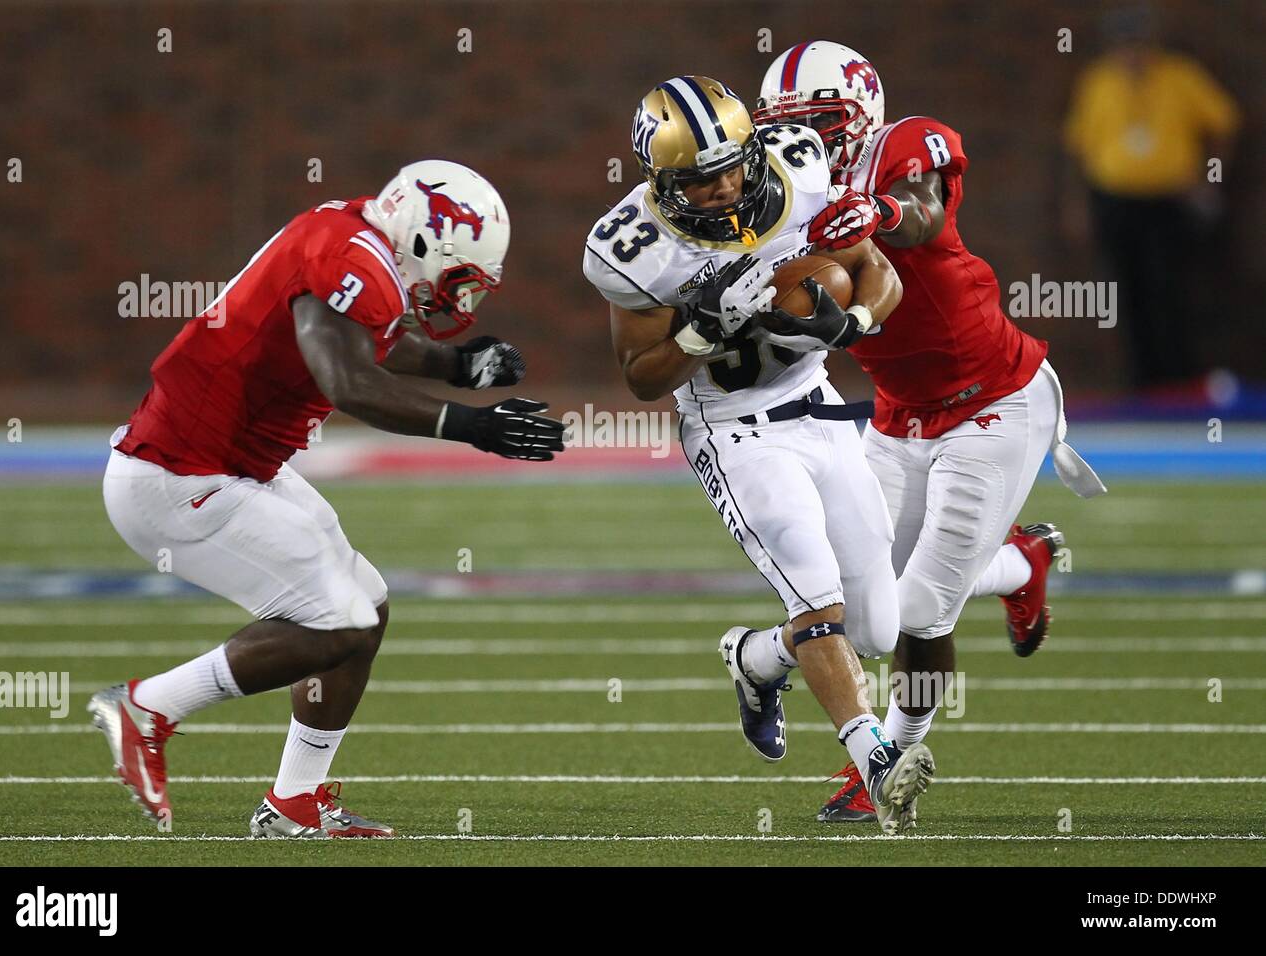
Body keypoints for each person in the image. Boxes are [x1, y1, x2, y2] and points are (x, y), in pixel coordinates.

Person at [89, 160, 565, 838]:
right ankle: (150, 707)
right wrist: (473, 425)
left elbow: (369, 339)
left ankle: (293, 804)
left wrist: (458, 365)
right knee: (333, 621)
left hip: (232, 465)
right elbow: (348, 381)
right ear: (426, 240)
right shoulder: (350, 256)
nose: (461, 300)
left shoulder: (364, 242)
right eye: (461, 279)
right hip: (176, 475)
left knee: (364, 608)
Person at [755, 41, 1106, 822]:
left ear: (858, 115)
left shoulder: (901, 150)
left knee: (918, 613)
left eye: (817, 122)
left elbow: (922, 213)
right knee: (862, 600)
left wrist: (877, 210)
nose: (803, 141)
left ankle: (888, 760)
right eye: (787, 126)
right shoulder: (778, 190)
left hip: (995, 401)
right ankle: (1022, 562)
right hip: (898, 410)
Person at [582, 75, 933, 834]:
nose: (727, 186)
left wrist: (857, 323)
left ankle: (755, 659)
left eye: (734, 166)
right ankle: (873, 758)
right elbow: (642, 379)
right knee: (815, 594)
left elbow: (879, 272)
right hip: (733, 427)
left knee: (875, 628)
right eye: (702, 181)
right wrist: (702, 330)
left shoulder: (800, 164)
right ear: (661, 181)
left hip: (819, 405)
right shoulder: (631, 247)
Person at [1062, 5, 1241, 388]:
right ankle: (1143, 382)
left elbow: (1224, 122)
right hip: (1115, 200)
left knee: (1169, 287)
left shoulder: (1180, 75)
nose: (1132, 52)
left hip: (1168, 201)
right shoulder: (1098, 82)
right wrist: (1079, 205)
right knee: (1127, 291)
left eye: (1138, 43)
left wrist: (1210, 179)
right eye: (1124, 45)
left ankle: (1179, 379)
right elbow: (1078, 148)